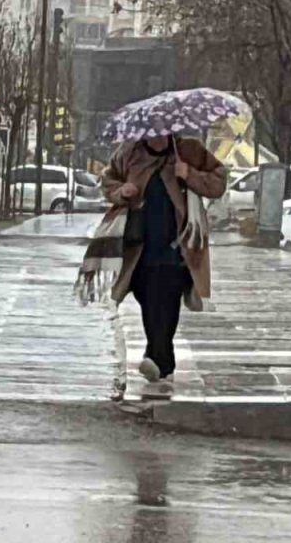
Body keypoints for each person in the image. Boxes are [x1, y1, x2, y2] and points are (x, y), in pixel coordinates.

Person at [99, 135, 226, 392]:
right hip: (139, 248)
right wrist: (121, 191)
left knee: (167, 300)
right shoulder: (130, 152)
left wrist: (189, 174)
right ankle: (159, 357)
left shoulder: (187, 150)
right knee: (148, 299)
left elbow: (218, 183)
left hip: (178, 246)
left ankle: (158, 359)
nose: (156, 134)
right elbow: (108, 180)